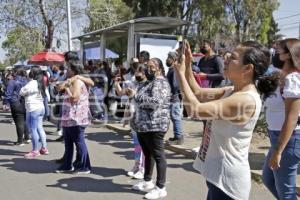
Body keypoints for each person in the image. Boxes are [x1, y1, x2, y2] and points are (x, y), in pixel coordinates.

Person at [175, 41, 278, 200]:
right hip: (217, 176)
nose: (227, 58)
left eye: (234, 57)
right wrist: (188, 63)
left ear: (247, 68)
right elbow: (198, 92)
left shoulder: (245, 100)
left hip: (228, 183)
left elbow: (194, 110)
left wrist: (180, 74)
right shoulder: (231, 90)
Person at [262, 38, 300, 200]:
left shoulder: (293, 80)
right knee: (268, 179)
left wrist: (278, 150)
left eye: (277, 51)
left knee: (286, 192)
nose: (273, 54)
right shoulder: (281, 77)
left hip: (288, 140)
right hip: (277, 137)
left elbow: (291, 119)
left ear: (289, 55)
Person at [131, 58, 171, 200]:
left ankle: (161, 187)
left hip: (155, 125)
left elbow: (155, 102)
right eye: (147, 66)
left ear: (159, 68)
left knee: (158, 155)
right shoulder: (149, 82)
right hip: (144, 125)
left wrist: (135, 96)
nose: (148, 69)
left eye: (151, 66)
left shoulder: (160, 82)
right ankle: (147, 181)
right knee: (148, 154)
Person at [55, 61, 92, 174]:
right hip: (69, 116)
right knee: (68, 143)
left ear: (74, 70)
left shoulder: (78, 81)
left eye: (69, 69)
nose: (67, 71)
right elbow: (59, 88)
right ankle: (67, 165)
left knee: (79, 142)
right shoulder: (71, 80)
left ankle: (85, 166)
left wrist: (66, 89)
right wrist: (62, 86)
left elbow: (74, 98)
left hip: (76, 117)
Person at [115, 63, 147, 179]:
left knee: (143, 146)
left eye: (140, 71)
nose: (137, 73)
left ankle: (143, 169)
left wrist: (135, 94)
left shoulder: (148, 85)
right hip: (134, 117)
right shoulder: (133, 83)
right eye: (137, 71)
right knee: (137, 145)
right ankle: (136, 166)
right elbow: (121, 92)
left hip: (144, 119)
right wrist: (116, 83)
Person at [20, 66, 49, 158]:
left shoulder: (32, 83)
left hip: (33, 109)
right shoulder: (41, 82)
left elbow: (22, 91)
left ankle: (35, 150)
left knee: (33, 130)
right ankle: (44, 148)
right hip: (40, 108)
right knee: (40, 128)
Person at [6, 66, 30, 146]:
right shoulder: (26, 81)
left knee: (19, 122)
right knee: (25, 120)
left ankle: (20, 141)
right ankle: (27, 137)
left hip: (16, 103)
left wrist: (7, 103)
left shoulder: (12, 82)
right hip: (25, 102)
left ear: (15, 72)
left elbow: (8, 94)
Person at [165, 51, 184, 145]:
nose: (167, 59)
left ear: (174, 59)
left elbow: (176, 85)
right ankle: (177, 136)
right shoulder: (172, 70)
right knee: (174, 117)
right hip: (172, 97)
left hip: (174, 97)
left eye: (169, 57)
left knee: (176, 117)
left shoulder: (174, 70)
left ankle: (179, 137)